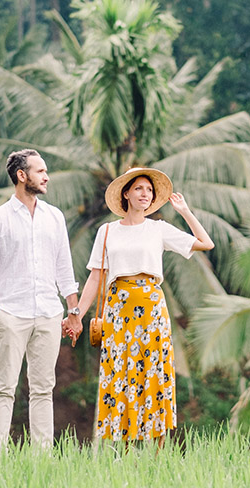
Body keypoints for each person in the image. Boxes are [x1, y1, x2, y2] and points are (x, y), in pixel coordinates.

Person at [64, 167, 213, 445]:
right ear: (126, 193)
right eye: (139, 189)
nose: (145, 194)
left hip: (151, 306)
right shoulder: (107, 231)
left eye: (149, 190)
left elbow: (206, 243)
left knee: (153, 372)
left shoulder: (158, 229)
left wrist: (184, 211)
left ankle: (156, 450)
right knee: (120, 371)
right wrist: (77, 315)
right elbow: (95, 277)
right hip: (118, 308)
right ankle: (126, 448)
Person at [0, 149, 80, 448]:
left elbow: (64, 268)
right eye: (40, 171)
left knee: (43, 389)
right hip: (11, 315)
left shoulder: (54, 217)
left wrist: (73, 310)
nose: (46, 177)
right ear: (22, 176)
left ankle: (42, 458)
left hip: (48, 313)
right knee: (4, 388)